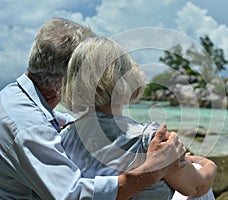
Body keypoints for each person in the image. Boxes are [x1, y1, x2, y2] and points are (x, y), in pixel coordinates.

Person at [0, 18, 188, 199]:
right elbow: (72, 196)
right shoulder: (27, 126)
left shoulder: (18, 100)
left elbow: (63, 122)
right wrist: (154, 169)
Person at [61, 37, 217, 199]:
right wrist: (209, 164)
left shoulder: (63, 138)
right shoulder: (150, 139)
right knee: (199, 177)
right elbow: (197, 187)